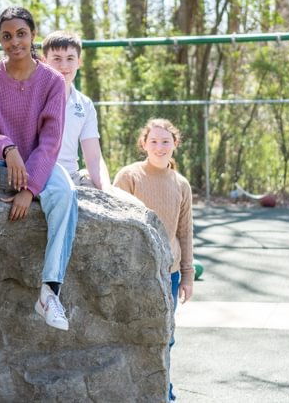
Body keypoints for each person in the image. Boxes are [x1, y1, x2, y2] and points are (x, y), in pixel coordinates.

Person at [0, 6, 78, 331]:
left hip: (38, 160)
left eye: (21, 34)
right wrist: (7, 147)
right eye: (7, 36)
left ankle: (49, 293)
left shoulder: (52, 81)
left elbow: (51, 141)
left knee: (66, 194)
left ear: (33, 35)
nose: (14, 42)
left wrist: (29, 189)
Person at [112, 118, 194, 402]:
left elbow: (185, 233)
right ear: (144, 144)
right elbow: (116, 224)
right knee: (132, 331)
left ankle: (163, 393)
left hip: (167, 273)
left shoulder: (181, 184)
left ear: (175, 145)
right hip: (135, 272)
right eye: (154, 141)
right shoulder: (129, 176)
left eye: (166, 141)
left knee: (164, 336)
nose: (160, 147)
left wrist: (187, 276)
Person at [41, 31, 110, 189]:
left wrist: (107, 190)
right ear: (44, 61)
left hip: (73, 178)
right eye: (57, 58)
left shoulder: (85, 104)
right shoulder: (33, 98)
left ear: (79, 62)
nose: (64, 65)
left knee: (131, 203)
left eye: (70, 58)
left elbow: (94, 159)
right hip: (40, 178)